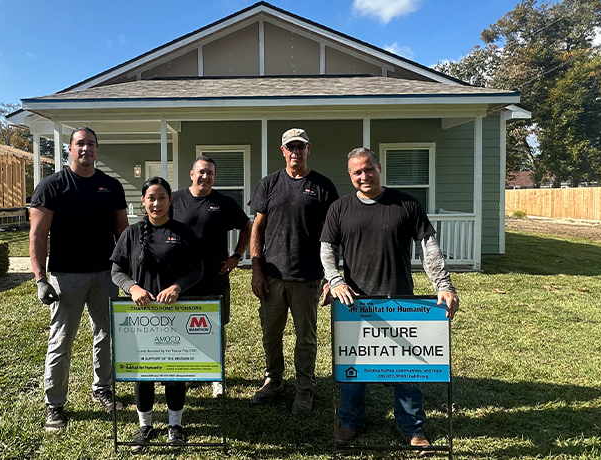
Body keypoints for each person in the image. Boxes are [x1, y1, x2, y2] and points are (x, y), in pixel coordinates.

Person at [320, 147, 460, 452]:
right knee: (352, 369)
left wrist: (444, 284)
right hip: (355, 305)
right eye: (357, 172)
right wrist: (335, 280)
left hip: (400, 301)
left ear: (379, 167)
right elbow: (327, 251)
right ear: (350, 175)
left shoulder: (406, 204)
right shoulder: (339, 209)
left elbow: (429, 248)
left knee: (406, 368)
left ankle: (412, 426)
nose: (364, 176)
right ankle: (351, 420)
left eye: (368, 169)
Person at [29, 127, 129, 431]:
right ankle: (54, 405)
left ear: (98, 151)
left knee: (106, 335)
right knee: (61, 341)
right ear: (69, 150)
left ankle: (103, 389)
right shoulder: (51, 187)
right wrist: (40, 278)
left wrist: (126, 272)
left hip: (105, 275)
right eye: (80, 143)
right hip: (65, 277)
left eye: (91, 144)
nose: (86, 148)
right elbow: (38, 234)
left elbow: (122, 234)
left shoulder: (111, 187)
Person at [248, 128, 339, 414]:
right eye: (290, 147)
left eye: (300, 147)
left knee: (306, 337)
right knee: (270, 333)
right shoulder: (269, 184)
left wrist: (330, 276)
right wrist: (257, 270)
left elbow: (333, 234)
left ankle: (304, 389)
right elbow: (258, 228)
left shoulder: (323, 186)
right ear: (282, 150)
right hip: (273, 275)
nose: (295, 152)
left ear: (308, 149)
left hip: (307, 276)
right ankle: (273, 380)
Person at [110, 176, 204, 452]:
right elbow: (116, 271)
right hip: (141, 316)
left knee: (174, 371)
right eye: (151, 198)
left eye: (162, 197)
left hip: (175, 315)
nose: (156, 203)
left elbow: (197, 269)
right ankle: (145, 425)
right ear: (143, 201)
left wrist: (177, 287)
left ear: (170, 200)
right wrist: (132, 287)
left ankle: (175, 425)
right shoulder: (131, 234)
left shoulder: (183, 233)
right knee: (144, 373)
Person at [171, 156, 252, 398]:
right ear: (191, 174)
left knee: (215, 326)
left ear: (214, 177)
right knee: (183, 325)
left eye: (210, 173)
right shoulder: (174, 199)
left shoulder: (224, 203)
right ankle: (187, 373)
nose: (205, 177)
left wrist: (237, 256)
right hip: (182, 277)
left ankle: (216, 375)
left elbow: (247, 225)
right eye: (201, 172)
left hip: (215, 275)